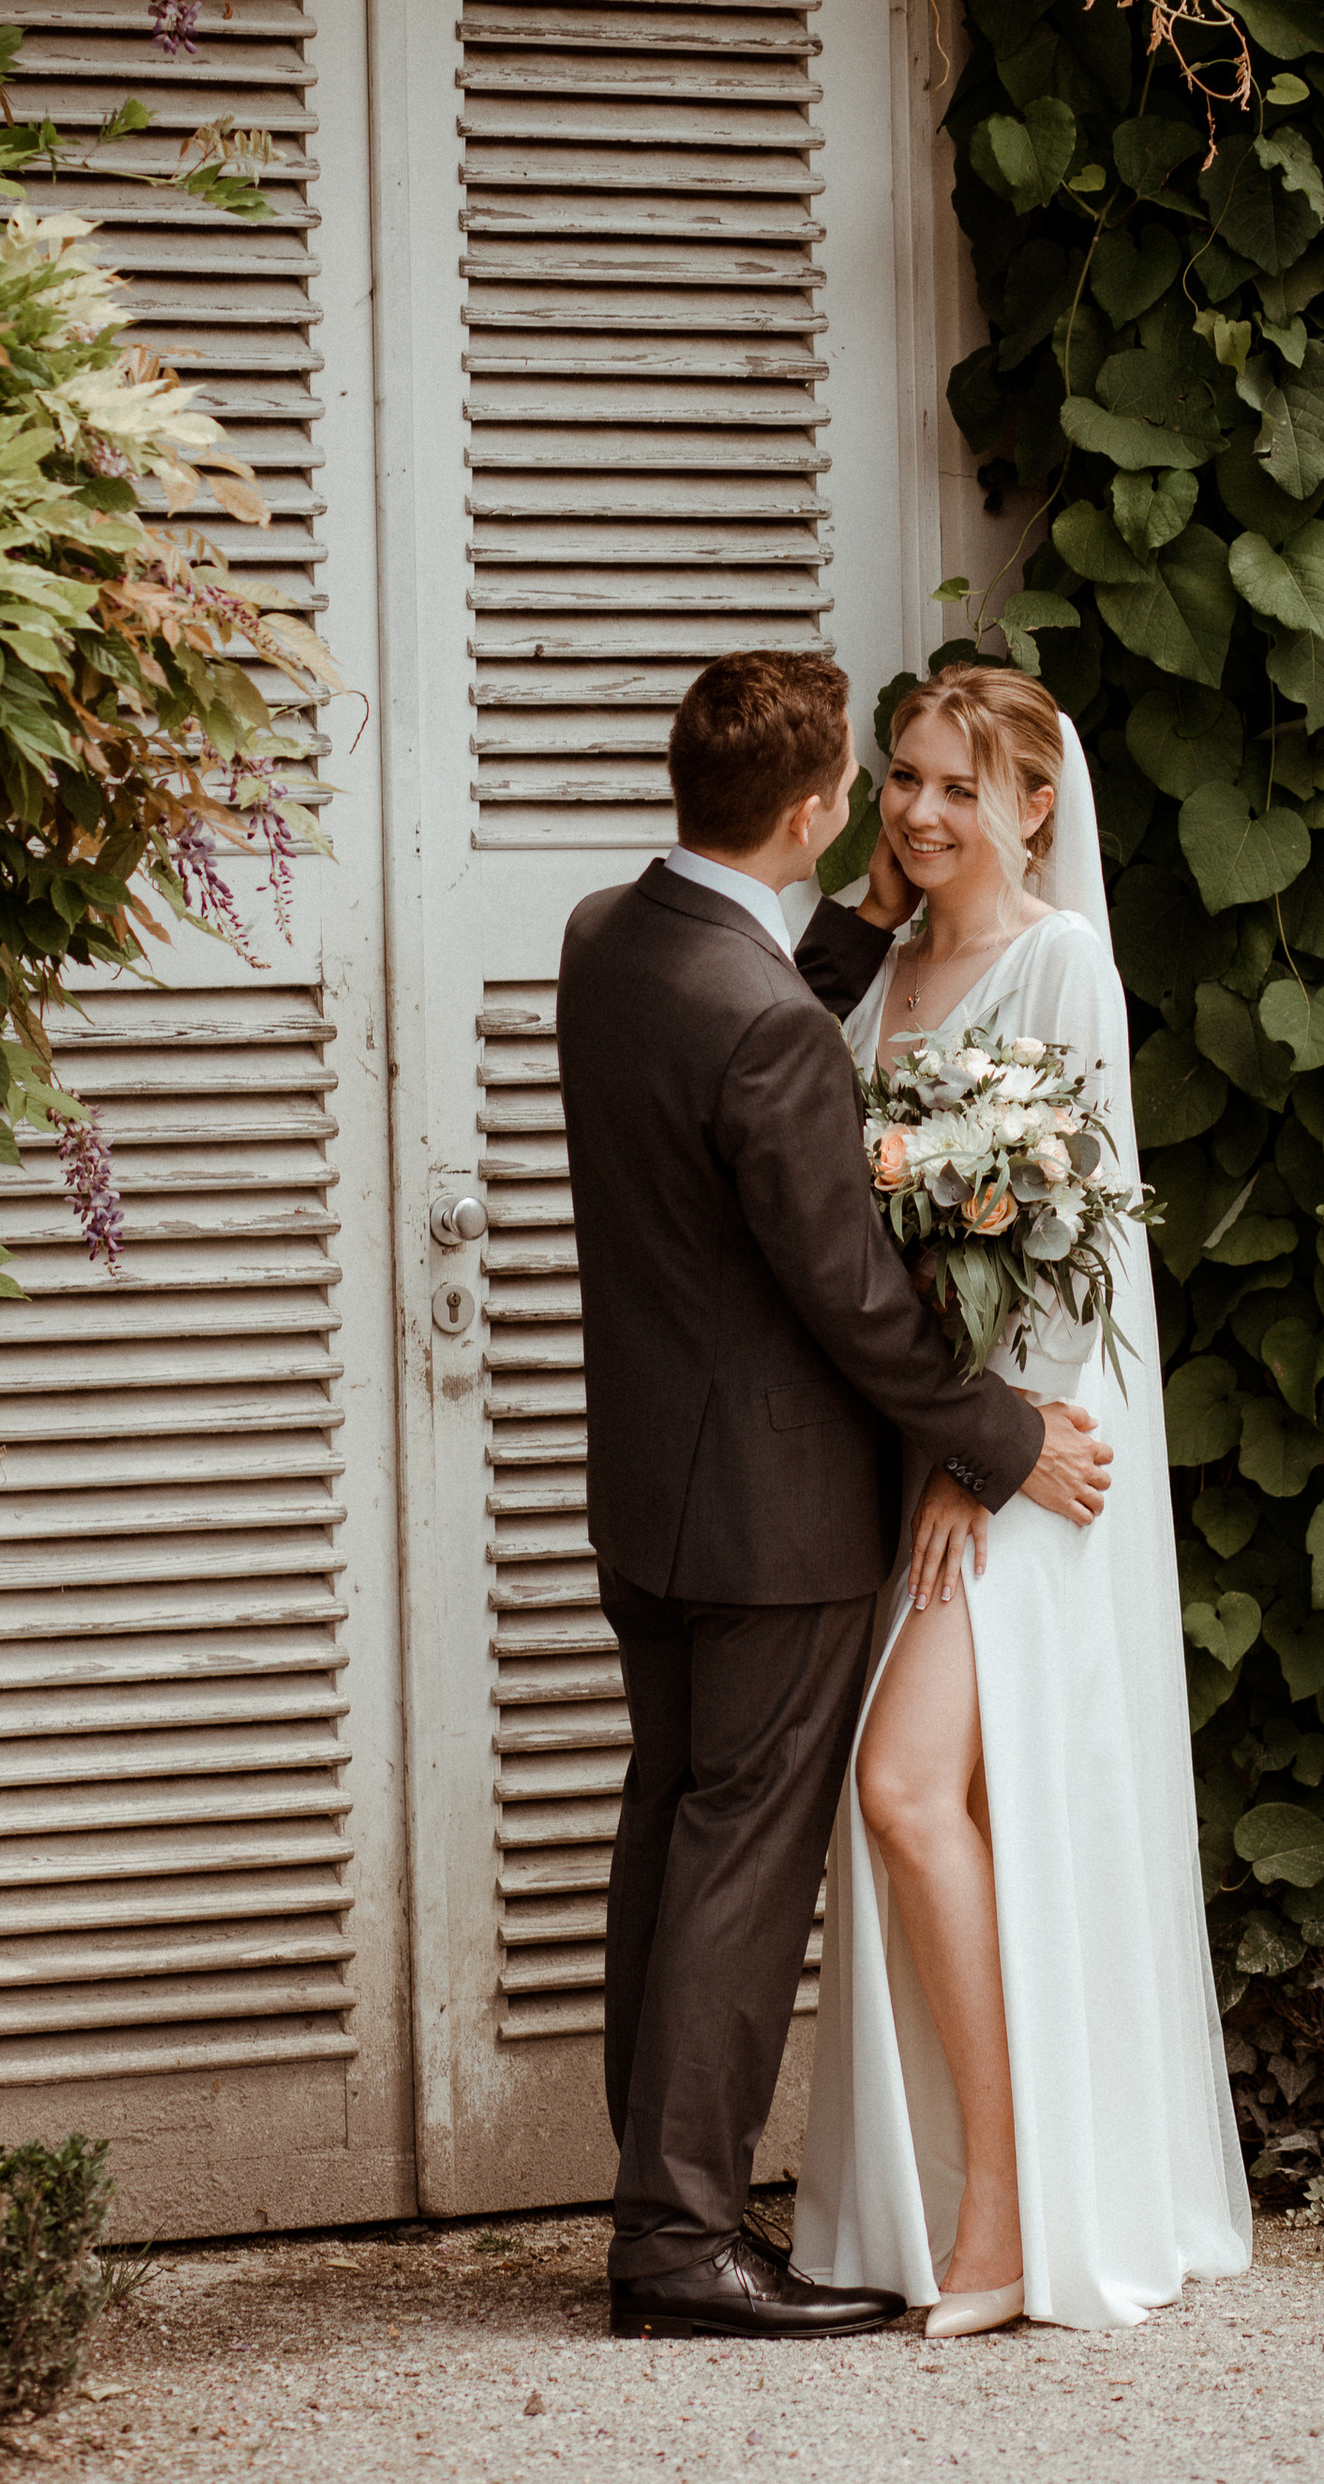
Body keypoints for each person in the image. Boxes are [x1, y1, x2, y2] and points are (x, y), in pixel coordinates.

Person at [556, 648, 1117, 2343]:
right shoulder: (775, 1028)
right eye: (880, 789)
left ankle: (654, 2181)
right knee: (739, 1855)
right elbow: (856, 1297)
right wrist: (1002, 1442)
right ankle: (680, 2242)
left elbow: (765, 995)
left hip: (648, 1495)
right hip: (776, 1511)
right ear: (816, 811)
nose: (908, 814)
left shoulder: (612, 941)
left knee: (667, 1828)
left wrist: (852, 929)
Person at [790, 661, 1251, 2336]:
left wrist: (988, 1462)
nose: (920, 810)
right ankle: (960, 2197)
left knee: (906, 1791)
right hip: (925, 1436)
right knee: (923, 1809)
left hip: (1041, 1440)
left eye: (959, 786)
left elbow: (1075, 1245)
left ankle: (1001, 2214)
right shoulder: (886, 969)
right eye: (903, 776)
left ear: (1035, 806)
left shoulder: (1063, 965)